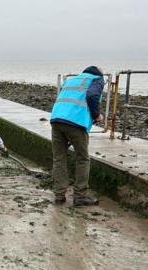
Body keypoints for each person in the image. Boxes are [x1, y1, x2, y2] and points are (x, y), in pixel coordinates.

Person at [50, 66, 104, 206]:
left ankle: (59, 195)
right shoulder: (97, 79)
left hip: (56, 120)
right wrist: (97, 115)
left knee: (59, 159)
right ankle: (80, 196)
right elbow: (92, 96)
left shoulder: (72, 80)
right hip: (76, 123)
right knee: (83, 159)